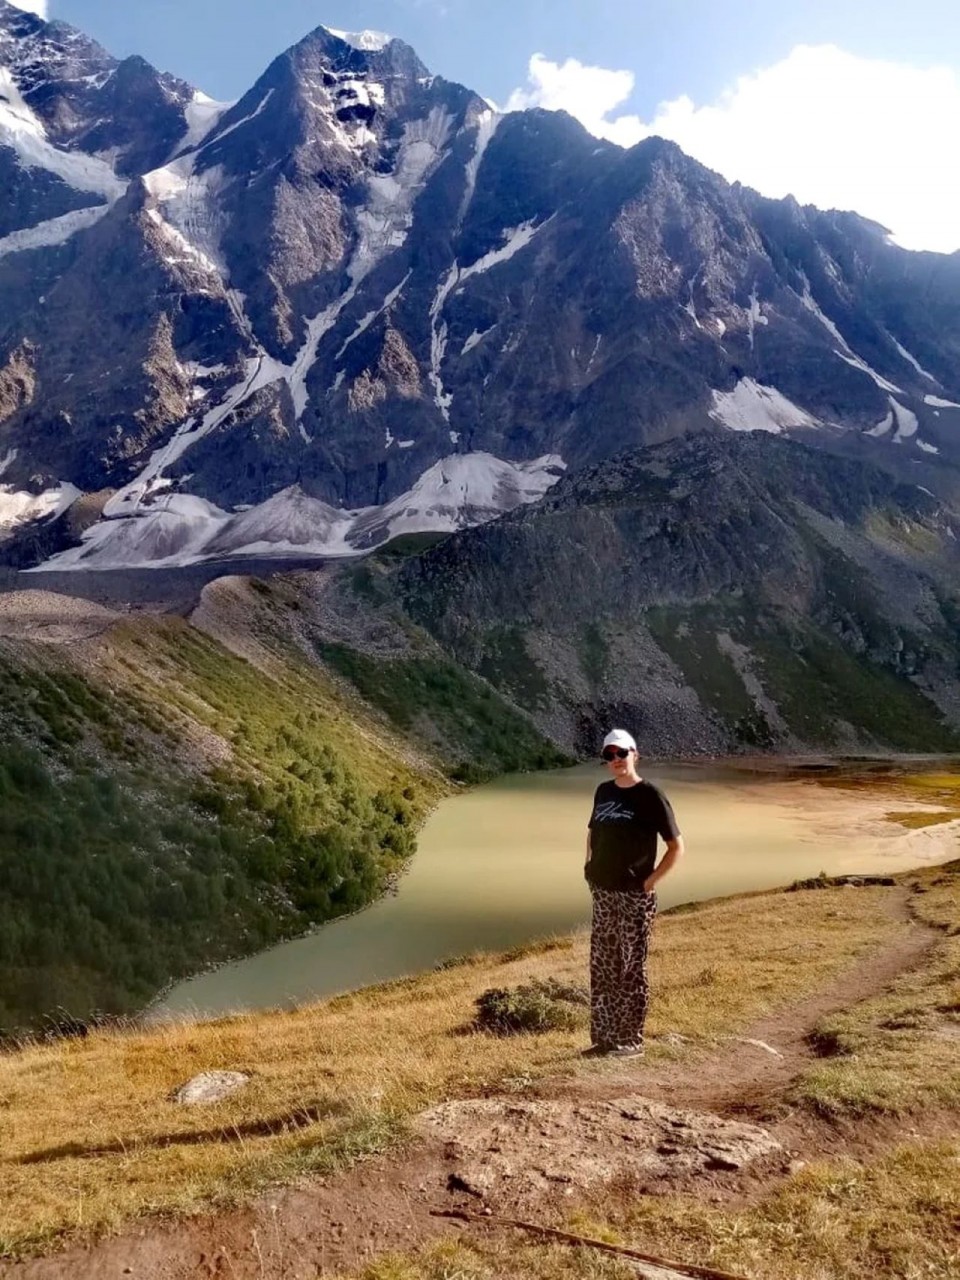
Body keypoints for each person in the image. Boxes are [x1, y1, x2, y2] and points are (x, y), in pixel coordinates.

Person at [583, 728, 684, 1058]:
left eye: (621, 753)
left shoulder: (651, 795)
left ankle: (630, 1041)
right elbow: (592, 833)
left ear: (634, 754)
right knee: (602, 966)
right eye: (609, 755)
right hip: (603, 892)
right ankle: (604, 1038)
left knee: (630, 968)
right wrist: (589, 868)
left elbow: (675, 847)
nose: (615, 760)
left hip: (633, 896)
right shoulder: (602, 792)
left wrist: (649, 883)